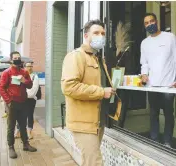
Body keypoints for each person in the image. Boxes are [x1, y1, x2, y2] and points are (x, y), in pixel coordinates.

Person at [61, 19, 115, 166]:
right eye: (96, 33)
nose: (100, 36)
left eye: (103, 33)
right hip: (83, 124)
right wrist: (101, 92)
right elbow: (69, 87)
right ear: (86, 36)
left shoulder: (98, 59)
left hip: (97, 121)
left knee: (89, 161)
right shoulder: (76, 56)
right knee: (94, 162)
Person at [140, 13, 176, 147]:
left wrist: (175, 79)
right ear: (144, 25)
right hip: (152, 85)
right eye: (146, 23)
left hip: (168, 85)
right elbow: (144, 63)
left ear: (157, 22)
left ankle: (167, 142)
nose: (149, 24)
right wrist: (144, 74)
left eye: (152, 21)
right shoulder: (145, 43)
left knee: (169, 114)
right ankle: (154, 140)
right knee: (153, 113)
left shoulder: (170, 37)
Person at [0, 51, 37, 159]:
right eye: (15, 58)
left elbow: (30, 85)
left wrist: (24, 80)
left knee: (23, 125)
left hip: (23, 102)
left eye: (19, 58)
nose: (17, 59)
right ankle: (11, 146)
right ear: (11, 60)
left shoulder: (25, 72)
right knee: (11, 126)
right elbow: (1, 87)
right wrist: (8, 100)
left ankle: (26, 144)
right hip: (12, 104)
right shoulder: (7, 73)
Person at [15, 62, 39, 139]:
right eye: (28, 66)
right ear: (24, 67)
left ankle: (29, 132)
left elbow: (33, 91)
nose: (30, 68)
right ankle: (18, 131)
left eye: (31, 66)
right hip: (21, 99)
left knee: (29, 115)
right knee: (20, 115)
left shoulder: (35, 77)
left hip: (30, 100)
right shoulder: (21, 76)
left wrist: (24, 94)